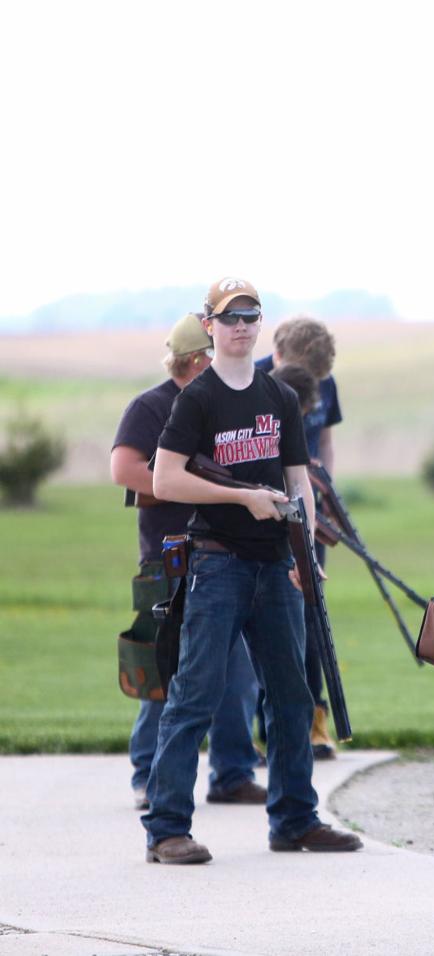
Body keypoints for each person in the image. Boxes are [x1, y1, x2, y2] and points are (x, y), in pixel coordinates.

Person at [142, 277, 362, 864]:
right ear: (208, 326)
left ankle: (294, 820)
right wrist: (242, 498)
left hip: (275, 565)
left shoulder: (279, 398)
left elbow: (299, 481)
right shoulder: (199, 398)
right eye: (229, 317)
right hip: (218, 563)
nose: (241, 326)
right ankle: (166, 829)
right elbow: (165, 479)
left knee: (291, 698)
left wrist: (306, 555)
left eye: (251, 316)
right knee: (194, 696)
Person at [110, 313, 264, 810]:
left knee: (237, 672)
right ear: (199, 359)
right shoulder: (151, 406)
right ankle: (146, 774)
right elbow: (125, 470)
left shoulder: (219, 404)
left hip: (220, 556)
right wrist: (178, 481)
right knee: (166, 668)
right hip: (169, 561)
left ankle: (233, 773)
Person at [256, 318, 342, 758]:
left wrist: (324, 490)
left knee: (311, 619)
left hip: (308, 514)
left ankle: (315, 721)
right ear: (278, 354)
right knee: (268, 622)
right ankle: (265, 728)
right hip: (264, 515)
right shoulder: (252, 382)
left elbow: (324, 443)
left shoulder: (326, 385)